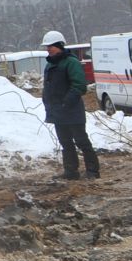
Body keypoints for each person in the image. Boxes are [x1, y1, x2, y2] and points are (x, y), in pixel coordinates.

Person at [40, 30, 99, 180]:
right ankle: (71, 171)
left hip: (72, 111)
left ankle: (93, 171)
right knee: (65, 142)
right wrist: (47, 100)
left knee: (81, 141)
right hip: (57, 111)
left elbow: (79, 85)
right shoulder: (49, 64)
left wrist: (66, 102)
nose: (48, 49)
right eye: (47, 47)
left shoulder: (71, 62)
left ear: (59, 45)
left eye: (50, 46)